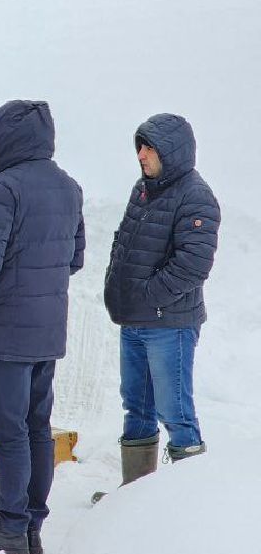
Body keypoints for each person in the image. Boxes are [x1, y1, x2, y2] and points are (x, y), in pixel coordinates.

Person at [0, 100, 85, 554]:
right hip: (46, 329)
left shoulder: (4, 189)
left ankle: (10, 525)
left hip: (5, 330)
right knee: (37, 427)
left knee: (8, 431)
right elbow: (74, 258)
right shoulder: (69, 187)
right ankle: (31, 528)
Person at [102, 113, 219, 483]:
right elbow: (123, 242)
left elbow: (193, 265)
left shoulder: (195, 196)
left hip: (169, 324)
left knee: (175, 413)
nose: (140, 155)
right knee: (136, 408)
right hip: (135, 321)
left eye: (149, 148)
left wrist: (148, 296)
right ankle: (134, 496)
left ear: (171, 151)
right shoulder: (143, 189)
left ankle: (185, 501)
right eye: (140, 147)